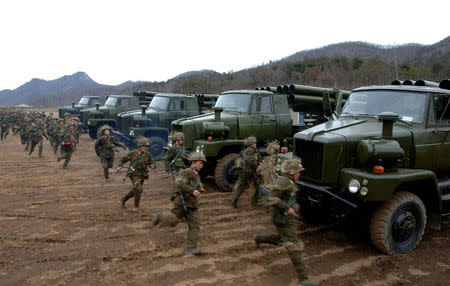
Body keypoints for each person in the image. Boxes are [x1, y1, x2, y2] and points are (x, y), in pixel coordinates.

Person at [253, 158, 318, 286]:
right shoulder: (283, 181)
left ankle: (259, 238)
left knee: (281, 238)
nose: (299, 174)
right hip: (281, 219)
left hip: (284, 219)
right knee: (294, 246)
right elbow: (272, 198)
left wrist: (293, 208)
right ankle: (304, 279)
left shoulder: (289, 181)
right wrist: (287, 208)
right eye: (298, 172)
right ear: (292, 173)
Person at [152, 152, 206, 255]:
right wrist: (192, 191)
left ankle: (190, 248)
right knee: (173, 221)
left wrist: (201, 189)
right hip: (182, 202)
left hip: (192, 204)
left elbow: (197, 184)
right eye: (200, 163)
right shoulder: (187, 172)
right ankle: (161, 215)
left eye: (202, 163)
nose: (201, 165)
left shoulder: (196, 174)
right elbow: (179, 183)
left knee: (195, 224)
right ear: (193, 163)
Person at [117, 137, 155, 211]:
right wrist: (120, 166)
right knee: (138, 188)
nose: (145, 148)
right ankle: (136, 206)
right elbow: (123, 159)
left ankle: (123, 199)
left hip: (143, 175)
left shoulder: (148, 154)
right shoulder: (133, 153)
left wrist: (152, 165)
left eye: (146, 146)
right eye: (144, 146)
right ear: (140, 146)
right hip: (134, 173)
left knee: (136, 190)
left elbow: (152, 162)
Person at [232, 136, 262, 208]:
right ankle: (253, 203)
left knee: (243, 186)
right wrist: (257, 167)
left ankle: (235, 200)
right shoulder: (251, 150)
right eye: (254, 143)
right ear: (251, 144)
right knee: (255, 187)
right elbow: (251, 160)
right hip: (248, 172)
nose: (255, 144)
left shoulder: (251, 149)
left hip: (247, 171)